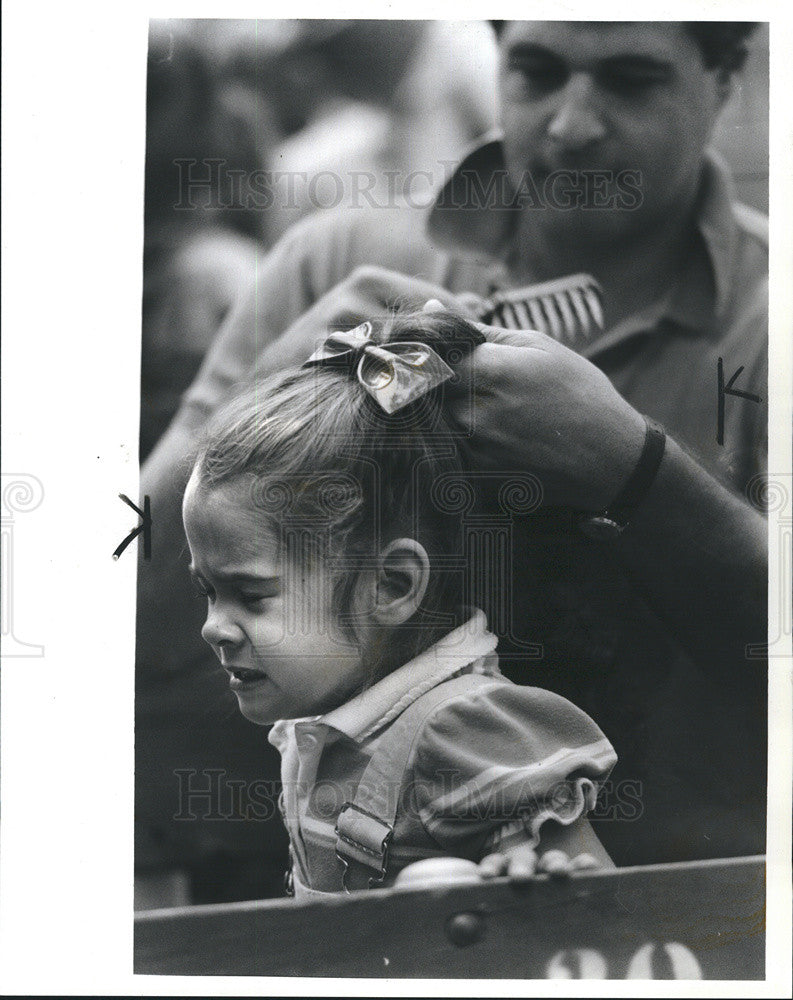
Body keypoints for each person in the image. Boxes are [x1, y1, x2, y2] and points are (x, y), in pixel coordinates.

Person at [138, 21, 767, 877]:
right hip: (296, 891)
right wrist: (271, 391)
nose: (571, 125)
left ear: (726, 77)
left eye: (629, 80)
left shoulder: (770, 324)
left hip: (687, 917)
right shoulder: (335, 262)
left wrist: (638, 475)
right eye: (537, 71)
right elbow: (112, 568)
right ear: (495, 54)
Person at [181, 309, 616, 896]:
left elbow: (605, 917)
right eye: (209, 591)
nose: (214, 627)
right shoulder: (326, 713)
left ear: (391, 586)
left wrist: (540, 883)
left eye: (252, 595)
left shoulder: (462, 733)